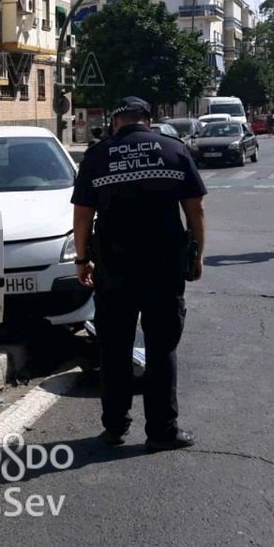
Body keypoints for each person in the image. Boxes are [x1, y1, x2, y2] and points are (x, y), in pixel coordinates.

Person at [71, 96, 207, 451]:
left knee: (114, 348)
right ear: (150, 121)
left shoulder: (99, 156)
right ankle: (162, 430)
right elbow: (195, 210)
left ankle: (115, 427)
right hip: (164, 265)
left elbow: (83, 215)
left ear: (116, 123)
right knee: (162, 348)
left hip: (115, 268)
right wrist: (198, 254)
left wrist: (81, 259)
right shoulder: (173, 150)